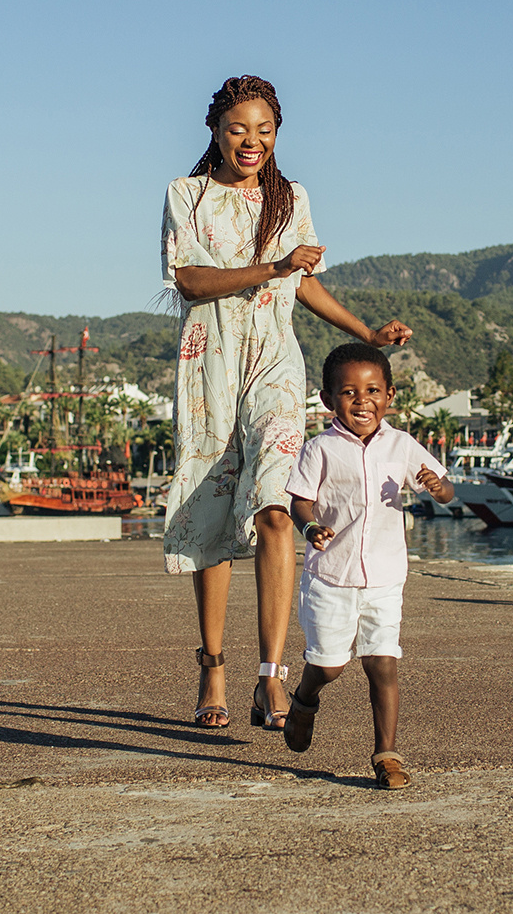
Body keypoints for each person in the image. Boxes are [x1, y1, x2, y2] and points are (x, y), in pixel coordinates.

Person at [163, 75, 413, 731]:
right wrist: (274, 268)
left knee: (277, 507)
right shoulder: (186, 196)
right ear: (216, 131)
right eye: (240, 129)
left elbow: (305, 286)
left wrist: (366, 334)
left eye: (265, 130)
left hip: (276, 365)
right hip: (208, 368)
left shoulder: (291, 198)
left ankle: (269, 676)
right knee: (212, 518)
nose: (253, 141)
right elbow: (190, 281)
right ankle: (213, 663)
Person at [281, 341, 453, 789]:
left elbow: (446, 488)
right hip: (331, 576)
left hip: (385, 576)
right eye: (349, 392)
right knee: (331, 665)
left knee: (383, 662)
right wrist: (309, 527)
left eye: (373, 390)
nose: (363, 402)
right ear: (327, 399)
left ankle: (386, 754)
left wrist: (438, 487)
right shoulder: (320, 448)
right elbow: (300, 501)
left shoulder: (401, 444)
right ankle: (304, 697)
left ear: (390, 395)